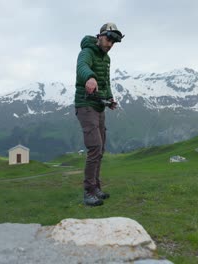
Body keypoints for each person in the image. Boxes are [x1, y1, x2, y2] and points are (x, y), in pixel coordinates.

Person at [74, 23, 124, 206]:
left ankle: (96, 188)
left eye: (114, 42)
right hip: (86, 105)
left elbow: (106, 81)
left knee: (100, 149)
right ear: (100, 36)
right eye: (109, 39)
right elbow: (82, 67)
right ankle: (88, 192)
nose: (110, 44)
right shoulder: (87, 51)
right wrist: (90, 77)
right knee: (94, 147)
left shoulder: (106, 59)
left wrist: (109, 98)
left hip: (99, 106)